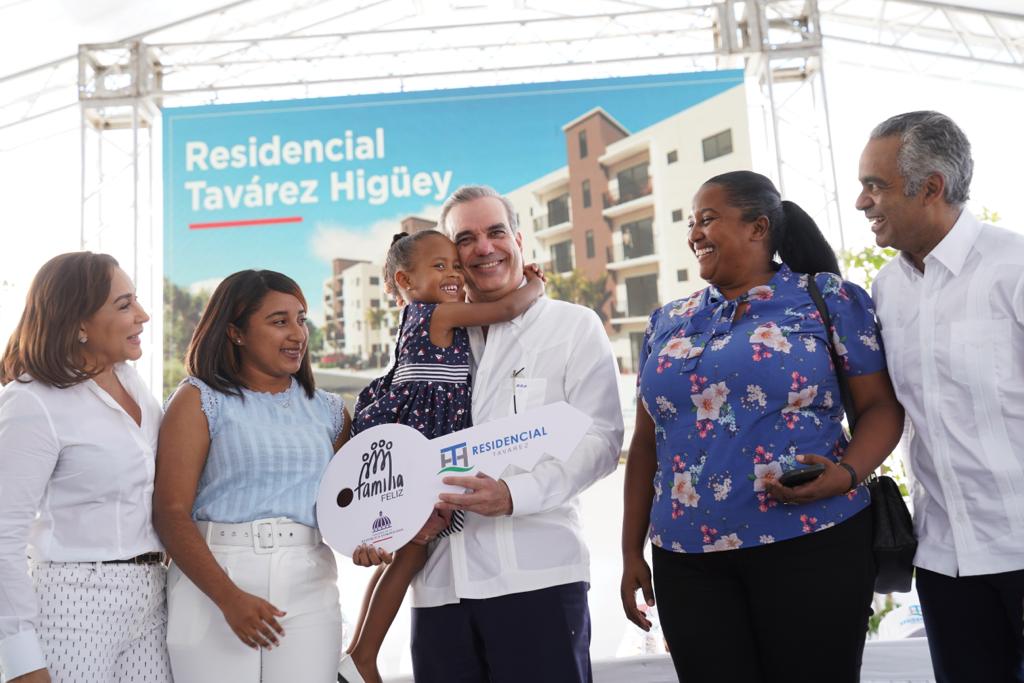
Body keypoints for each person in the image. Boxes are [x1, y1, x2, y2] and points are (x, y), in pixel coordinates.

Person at [621, 170, 904, 683]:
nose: (695, 234)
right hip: (686, 559)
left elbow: (881, 407)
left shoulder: (827, 298)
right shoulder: (667, 320)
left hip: (812, 542)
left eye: (708, 219)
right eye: (691, 224)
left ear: (758, 227)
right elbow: (646, 445)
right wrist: (630, 551)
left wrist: (846, 474)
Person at [398, 185, 623, 682]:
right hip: (439, 585)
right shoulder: (432, 340)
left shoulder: (573, 326)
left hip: (537, 579)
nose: (484, 247)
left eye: (496, 232)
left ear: (519, 240)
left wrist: (513, 494)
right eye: (465, 239)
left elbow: (602, 442)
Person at [858, 111, 1024, 682]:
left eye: (875, 185)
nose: (862, 201)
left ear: (930, 187)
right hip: (942, 560)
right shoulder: (886, 289)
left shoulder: (1015, 268)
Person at [338, 229, 546, 683]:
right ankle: (364, 655)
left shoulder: (416, 314)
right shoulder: (439, 313)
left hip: (414, 440)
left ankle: (358, 652)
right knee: (412, 553)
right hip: (427, 444)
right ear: (405, 281)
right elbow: (506, 309)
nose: (454, 273)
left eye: (455, 265)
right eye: (439, 267)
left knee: (409, 554)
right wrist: (534, 283)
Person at [153, 270, 351, 683]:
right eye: (279, 321)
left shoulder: (330, 410)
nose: (297, 334)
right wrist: (228, 597)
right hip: (213, 581)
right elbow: (170, 513)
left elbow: (345, 509)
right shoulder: (198, 399)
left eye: (301, 320)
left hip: (309, 581)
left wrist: (368, 541)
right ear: (235, 332)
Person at [0, 252, 170, 683]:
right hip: (73, 606)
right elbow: (3, 535)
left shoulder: (131, 381)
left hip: (152, 597)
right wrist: (20, 659)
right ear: (79, 324)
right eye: (125, 305)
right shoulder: (31, 401)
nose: (143, 315)